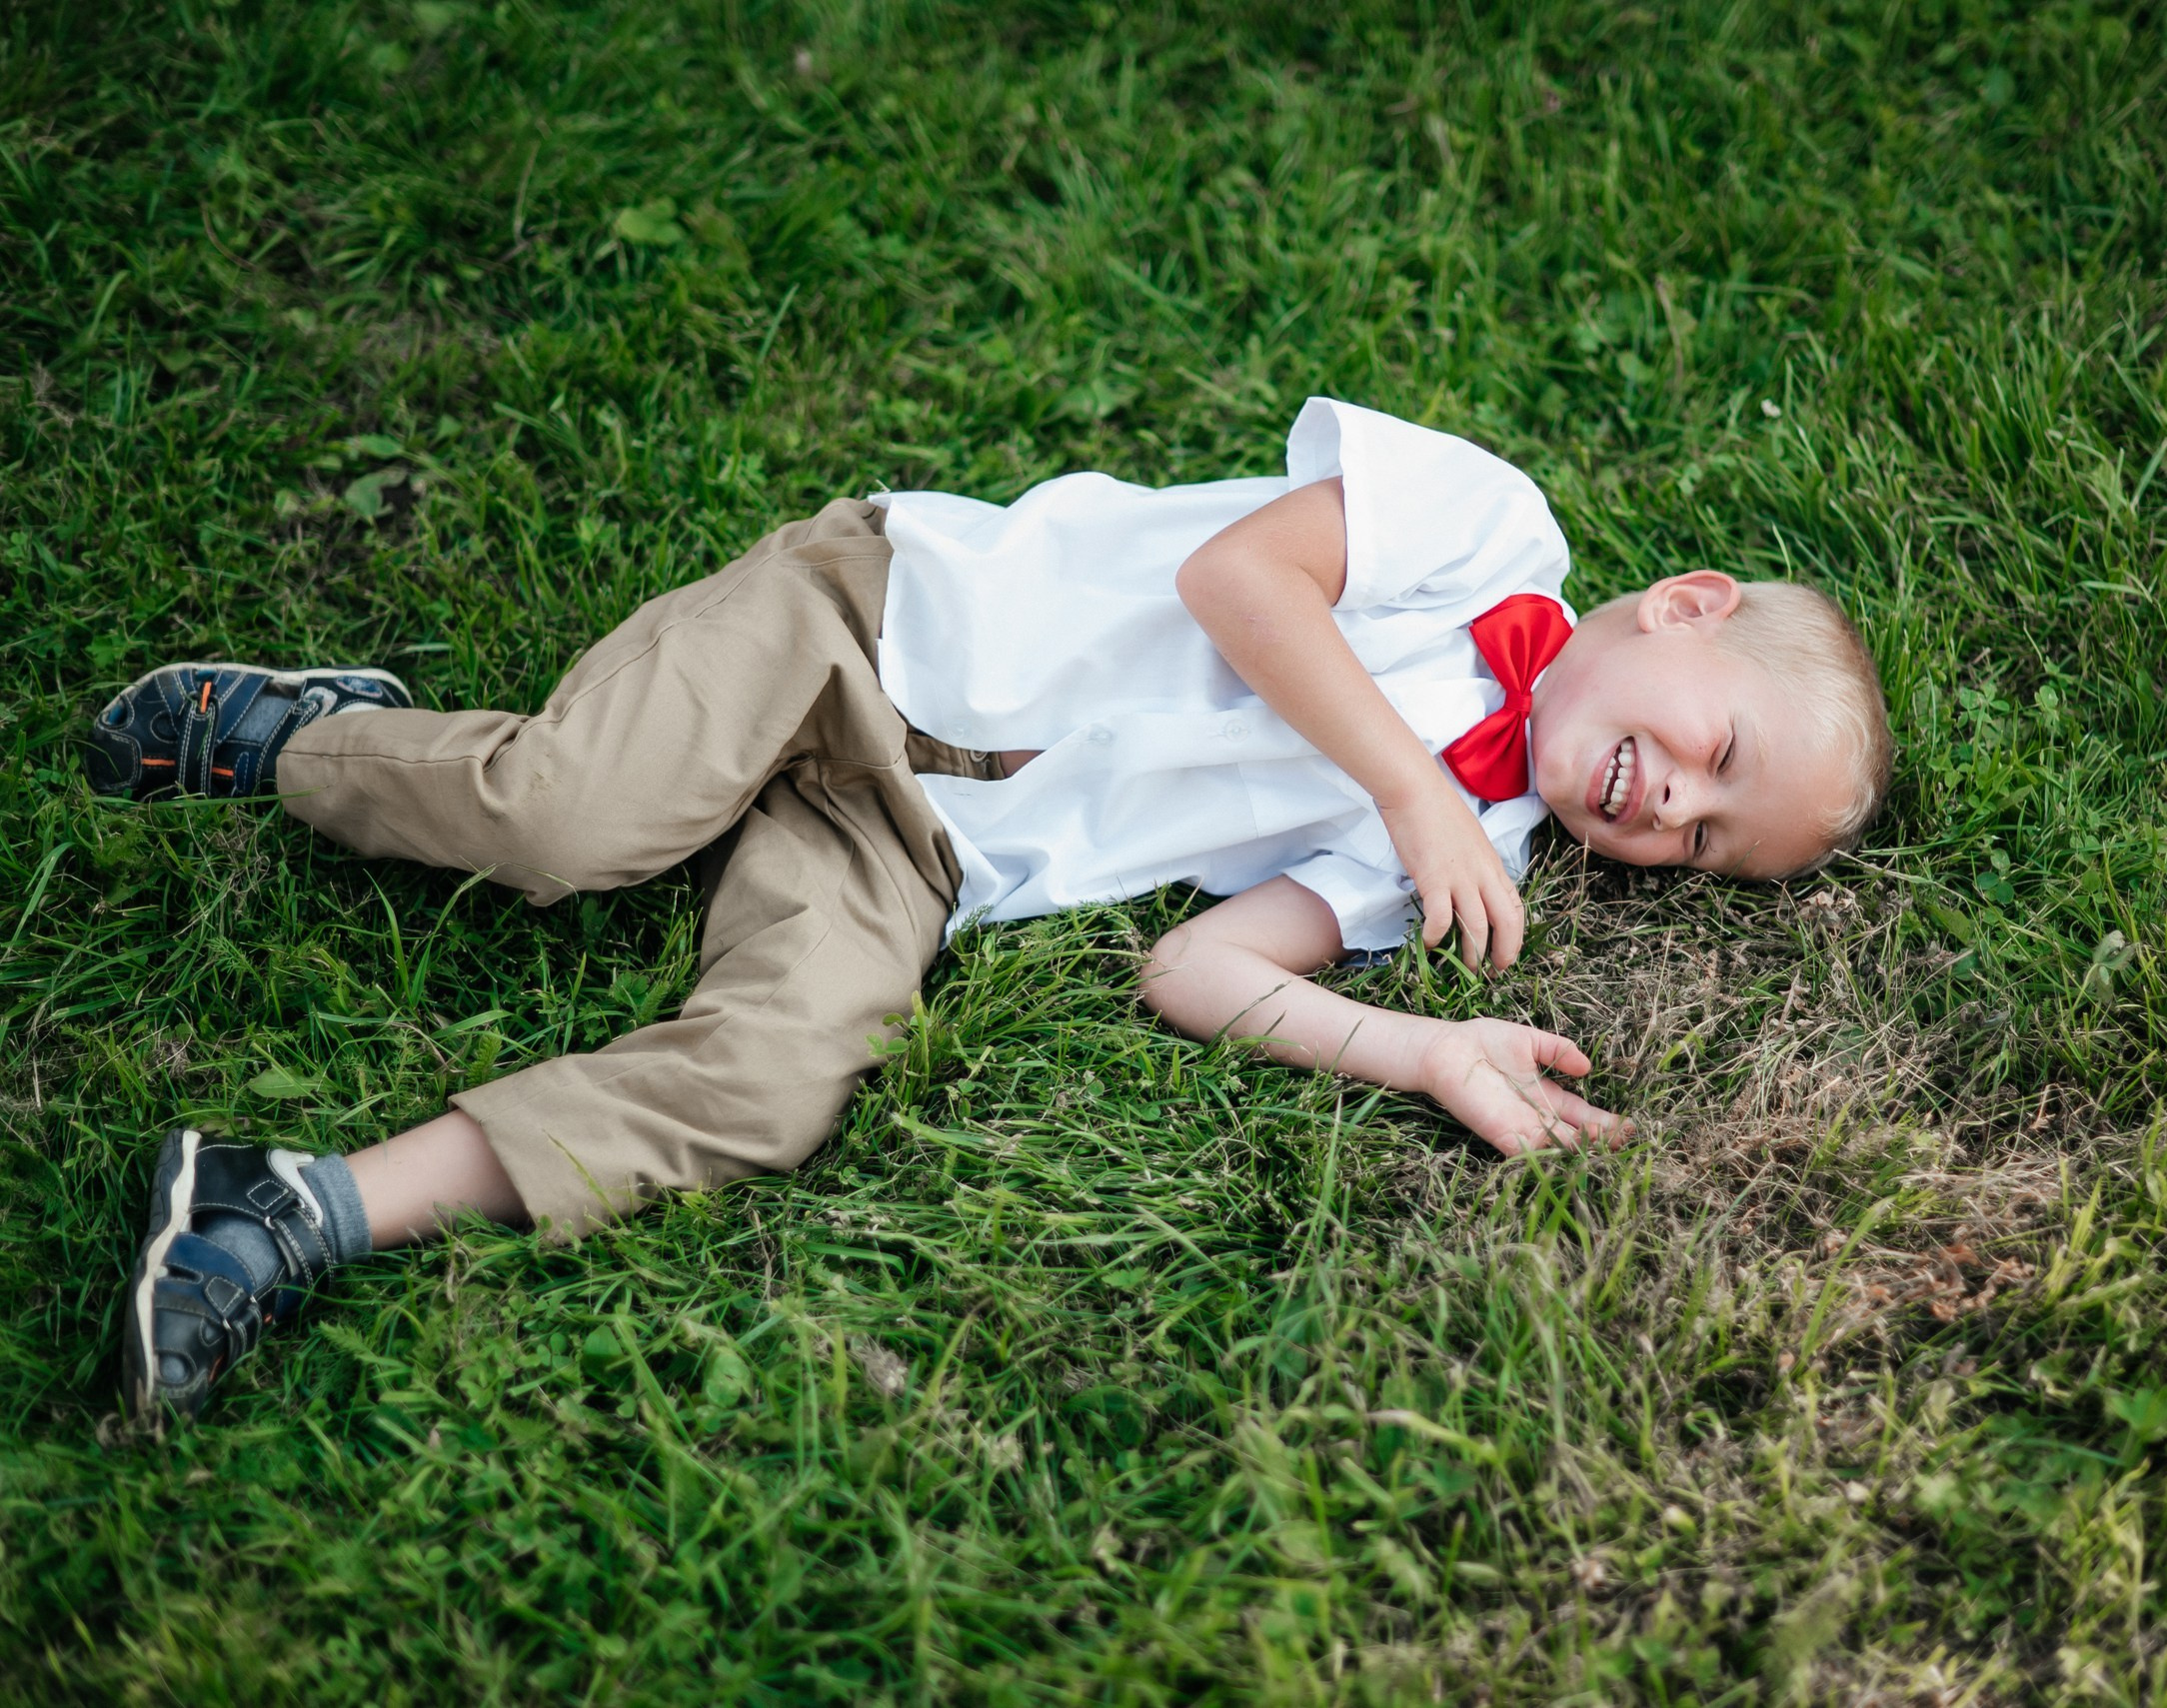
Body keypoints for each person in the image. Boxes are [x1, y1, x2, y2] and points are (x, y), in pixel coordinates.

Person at [83, 398, 1893, 1418]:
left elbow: (1199, 965)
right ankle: (299, 735)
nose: (1676, 808)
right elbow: (1237, 575)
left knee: (775, 1084)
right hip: (871, 625)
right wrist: (1415, 782)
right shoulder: (1494, 535)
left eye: (1711, 842)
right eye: (1714, 748)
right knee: (572, 816)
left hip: (924, 850)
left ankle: (293, 1208)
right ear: (1683, 604)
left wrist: (1421, 1046)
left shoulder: (1463, 865)